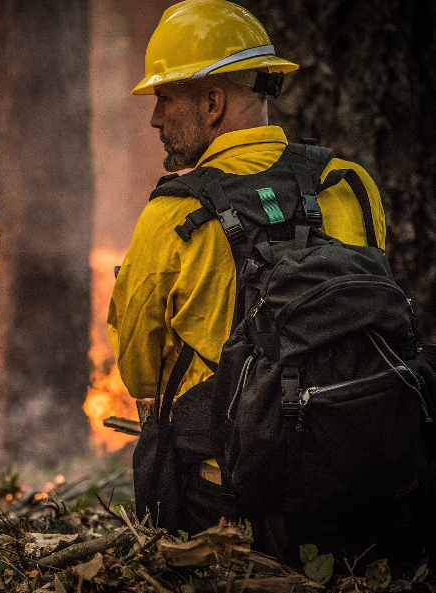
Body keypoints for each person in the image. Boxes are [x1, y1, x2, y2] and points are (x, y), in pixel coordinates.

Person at [107, 0, 387, 539]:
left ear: (212, 101)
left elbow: (139, 376)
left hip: (229, 511)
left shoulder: (172, 218)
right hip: (360, 486)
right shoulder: (349, 183)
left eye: (165, 97)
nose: (155, 117)